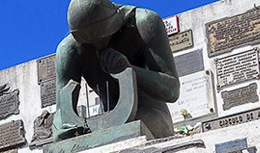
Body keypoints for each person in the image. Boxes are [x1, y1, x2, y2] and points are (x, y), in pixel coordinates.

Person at [53, 0, 180, 140]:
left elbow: (172, 90)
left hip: (152, 115)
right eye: (89, 43)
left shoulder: (144, 22)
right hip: (105, 123)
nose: (98, 47)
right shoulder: (69, 50)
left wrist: (130, 69)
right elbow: (61, 113)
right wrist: (60, 129)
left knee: (130, 128)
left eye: (102, 38)